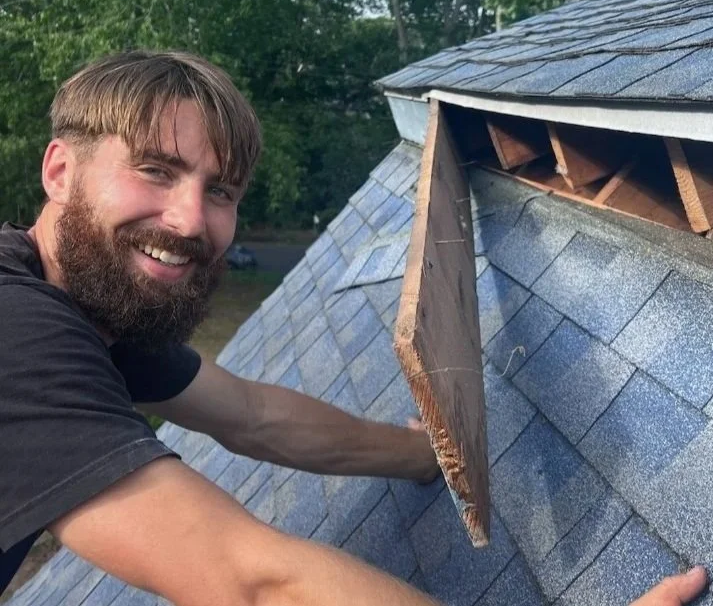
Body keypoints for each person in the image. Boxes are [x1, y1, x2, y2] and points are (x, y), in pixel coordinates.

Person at [0, 50, 706, 606]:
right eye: (155, 170)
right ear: (61, 169)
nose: (189, 220)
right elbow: (249, 583)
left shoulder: (95, 312)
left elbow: (253, 415)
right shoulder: (18, 327)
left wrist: (420, 453)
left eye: (219, 191)